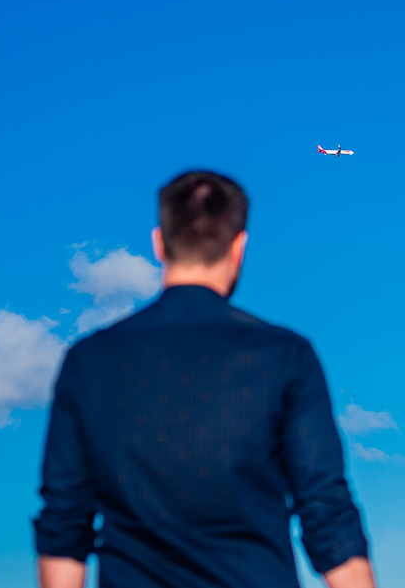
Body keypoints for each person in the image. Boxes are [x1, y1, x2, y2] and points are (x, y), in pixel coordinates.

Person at [34, 171, 374, 588]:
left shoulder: (88, 361)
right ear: (239, 246)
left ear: (160, 243)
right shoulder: (286, 356)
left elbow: (65, 522)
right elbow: (326, 512)